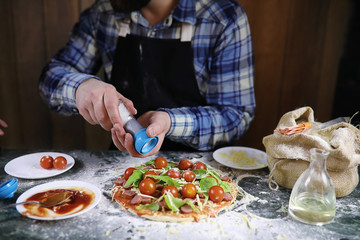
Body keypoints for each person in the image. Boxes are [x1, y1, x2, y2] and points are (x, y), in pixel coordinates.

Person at [39, 0, 255, 157]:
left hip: (196, 173)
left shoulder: (223, 18)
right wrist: (80, 88)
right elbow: (50, 78)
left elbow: (235, 115)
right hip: (122, 166)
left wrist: (169, 122)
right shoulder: (102, 14)